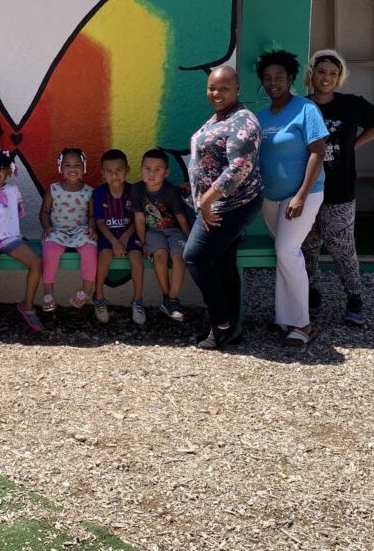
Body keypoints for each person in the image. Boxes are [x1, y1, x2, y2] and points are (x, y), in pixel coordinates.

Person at [184, 66, 264, 350]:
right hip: (218, 203)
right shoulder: (221, 117)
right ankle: (230, 326)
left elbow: (239, 167)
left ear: (237, 88)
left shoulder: (243, 121)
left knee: (195, 256)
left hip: (229, 205)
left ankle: (221, 323)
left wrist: (205, 201)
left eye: (223, 88)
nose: (216, 93)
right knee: (223, 261)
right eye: (211, 88)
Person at [303, 50, 374, 326]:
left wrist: (353, 146)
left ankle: (354, 298)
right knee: (308, 245)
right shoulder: (301, 106)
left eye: (333, 73)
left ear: (340, 77)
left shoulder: (352, 105)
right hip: (307, 189)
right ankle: (312, 294)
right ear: (311, 73)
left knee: (342, 247)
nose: (326, 78)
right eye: (321, 71)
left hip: (340, 189)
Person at [256, 49, 329, 346]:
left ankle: (302, 324)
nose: (273, 82)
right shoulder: (261, 116)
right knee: (284, 254)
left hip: (304, 195)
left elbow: (318, 152)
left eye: (279, 77)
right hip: (270, 198)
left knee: (287, 251)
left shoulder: (306, 109)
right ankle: (284, 317)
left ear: (290, 79)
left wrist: (299, 195)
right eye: (267, 78)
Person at [0, 151, 44, 342]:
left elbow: (14, 215)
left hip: (9, 238)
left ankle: (27, 306)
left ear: (8, 172)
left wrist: (17, 237)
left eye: (0, 169)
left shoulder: (13, 191)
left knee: (37, 262)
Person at [132, 149, 192, 322]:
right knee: (160, 255)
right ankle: (167, 297)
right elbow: (140, 218)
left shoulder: (171, 191)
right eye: (147, 168)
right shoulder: (137, 190)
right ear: (141, 169)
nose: (151, 173)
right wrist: (143, 242)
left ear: (166, 172)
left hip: (175, 231)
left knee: (179, 257)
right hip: (153, 232)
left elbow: (180, 217)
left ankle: (172, 299)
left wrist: (190, 239)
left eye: (158, 169)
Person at [40, 148, 96, 313]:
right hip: (58, 230)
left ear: (84, 167)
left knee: (90, 250)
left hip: (80, 231)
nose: (72, 169)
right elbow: (44, 212)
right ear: (60, 168)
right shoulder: (53, 189)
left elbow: (92, 215)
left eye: (77, 165)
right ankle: (48, 291)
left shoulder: (89, 191)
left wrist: (92, 227)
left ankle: (85, 290)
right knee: (49, 251)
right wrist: (47, 227)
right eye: (67, 165)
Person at [92, 149, 145, 325]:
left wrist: (123, 239)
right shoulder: (99, 193)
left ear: (128, 170)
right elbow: (99, 222)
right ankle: (99, 297)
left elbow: (136, 220)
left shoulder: (134, 191)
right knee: (105, 257)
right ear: (102, 172)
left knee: (137, 259)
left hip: (128, 235)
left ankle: (137, 301)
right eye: (109, 171)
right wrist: (115, 242)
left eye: (119, 170)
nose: (114, 175)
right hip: (108, 236)